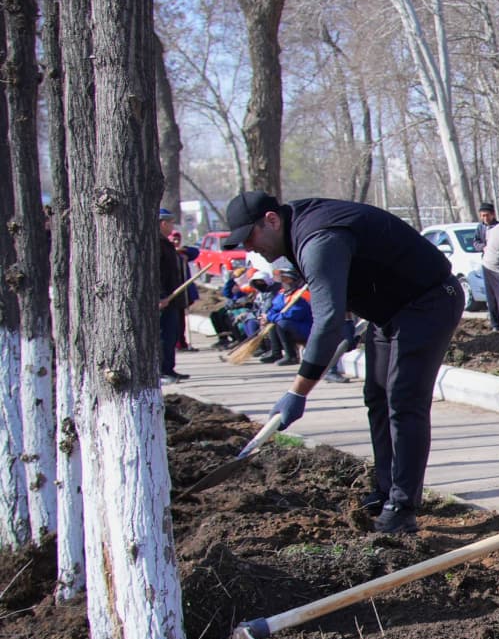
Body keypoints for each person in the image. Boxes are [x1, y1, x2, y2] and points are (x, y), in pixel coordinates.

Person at [223, 190, 463, 535]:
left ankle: (403, 506)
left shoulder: (317, 238)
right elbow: (349, 270)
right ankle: (386, 490)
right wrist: (350, 316)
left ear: (271, 220)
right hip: (391, 311)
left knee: (403, 399)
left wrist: (298, 392)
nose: (250, 248)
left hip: (430, 302)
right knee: (377, 397)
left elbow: (326, 323)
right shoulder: (299, 228)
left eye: (250, 237)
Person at [156, 207, 191, 382]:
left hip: (174, 299)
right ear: (162, 223)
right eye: (170, 222)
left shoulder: (166, 243)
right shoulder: (156, 244)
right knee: (164, 335)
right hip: (164, 299)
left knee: (172, 335)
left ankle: (169, 368)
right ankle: (162, 371)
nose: (172, 226)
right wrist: (160, 296)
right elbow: (156, 274)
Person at [257, 265, 314, 366]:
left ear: (293, 280)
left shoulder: (302, 294)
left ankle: (291, 356)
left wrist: (271, 317)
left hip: (304, 328)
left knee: (282, 323)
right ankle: (276, 353)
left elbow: (293, 315)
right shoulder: (283, 294)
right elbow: (274, 308)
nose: (283, 281)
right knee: (273, 323)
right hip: (291, 325)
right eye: (282, 279)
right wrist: (267, 317)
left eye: (286, 279)